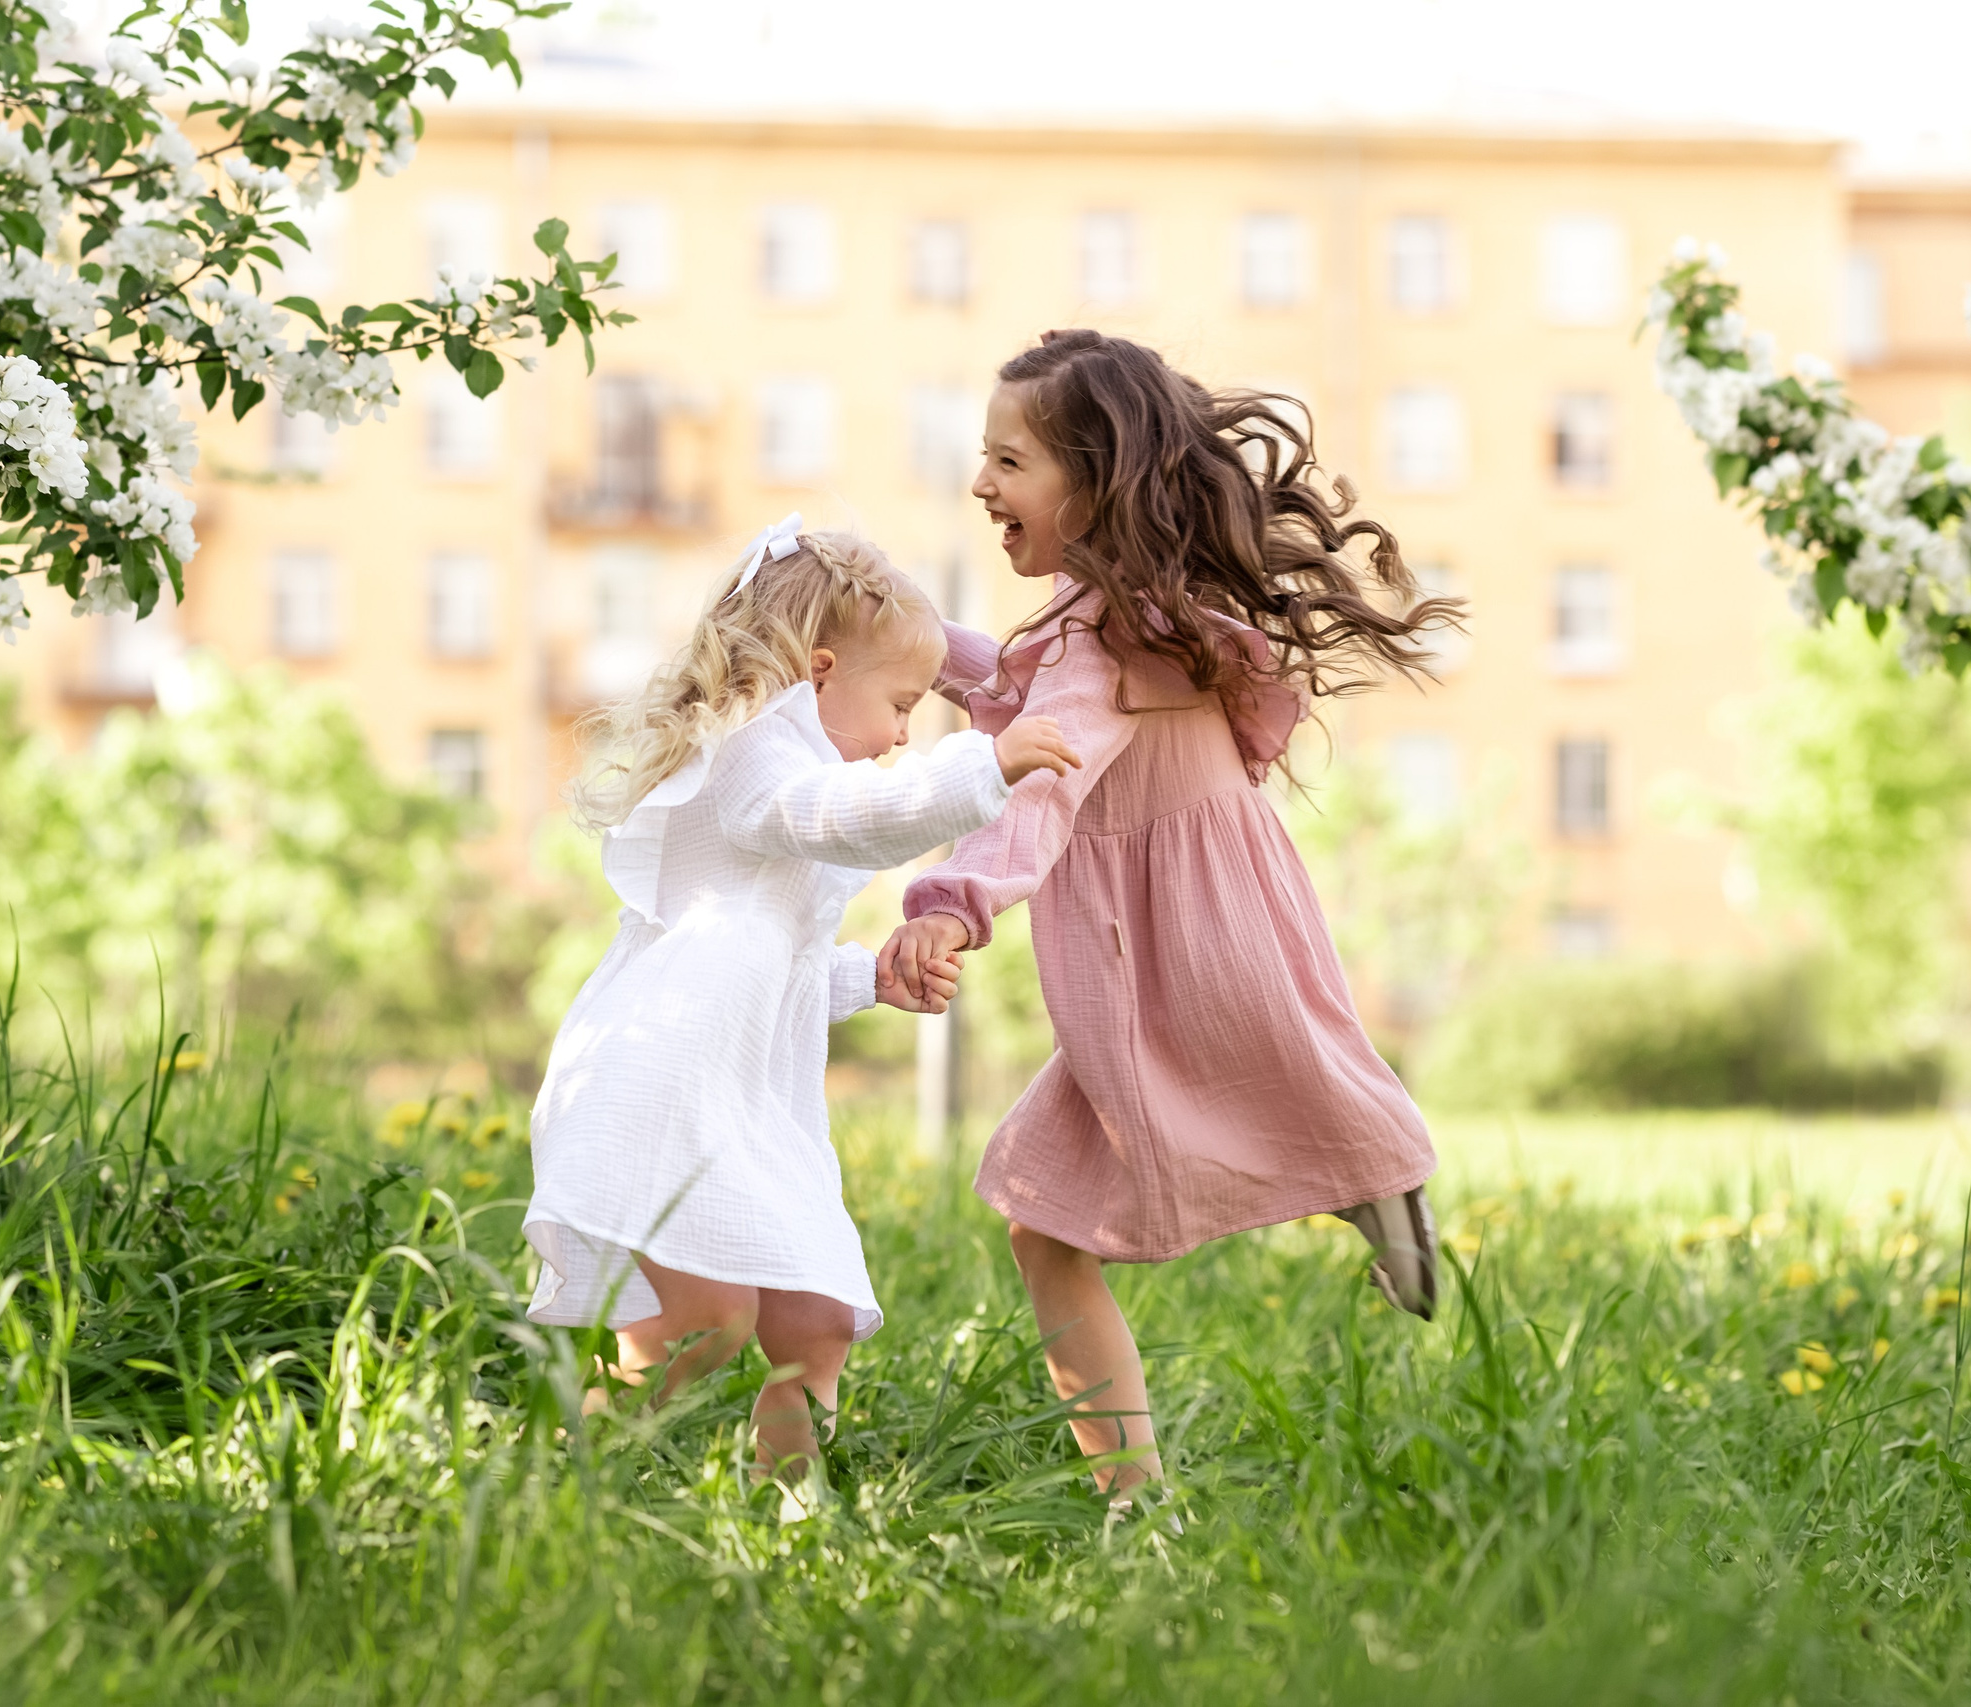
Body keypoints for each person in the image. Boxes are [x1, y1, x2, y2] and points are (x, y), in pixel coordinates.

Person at [876, 331, 1459, 1494]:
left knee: (1055, 1218)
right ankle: (1137, 1494)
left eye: (1007, 462)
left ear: (1091, 487)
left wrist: (950, 901)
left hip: (1168, 947)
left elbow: (1041, 774)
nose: (980, 485)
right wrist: (913, 637)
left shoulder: (1095, 636)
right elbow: (1025, 689)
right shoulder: (1134, 615)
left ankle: (1372, 1169)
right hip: (1220, 922)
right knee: (1046, 1224)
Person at [527, 516, 1080, 1481]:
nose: (908, 730)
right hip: (663, 1084)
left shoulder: (779, 779)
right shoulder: (755, 762)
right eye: (902, 703)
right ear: (819, 673)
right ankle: (570, 1476)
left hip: (744, 1099)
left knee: (814, 1321)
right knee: (706, 1320)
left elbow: (766, 973)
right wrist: (980, 767)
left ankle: (791, 1514)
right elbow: (840, 817)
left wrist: (869, 976)